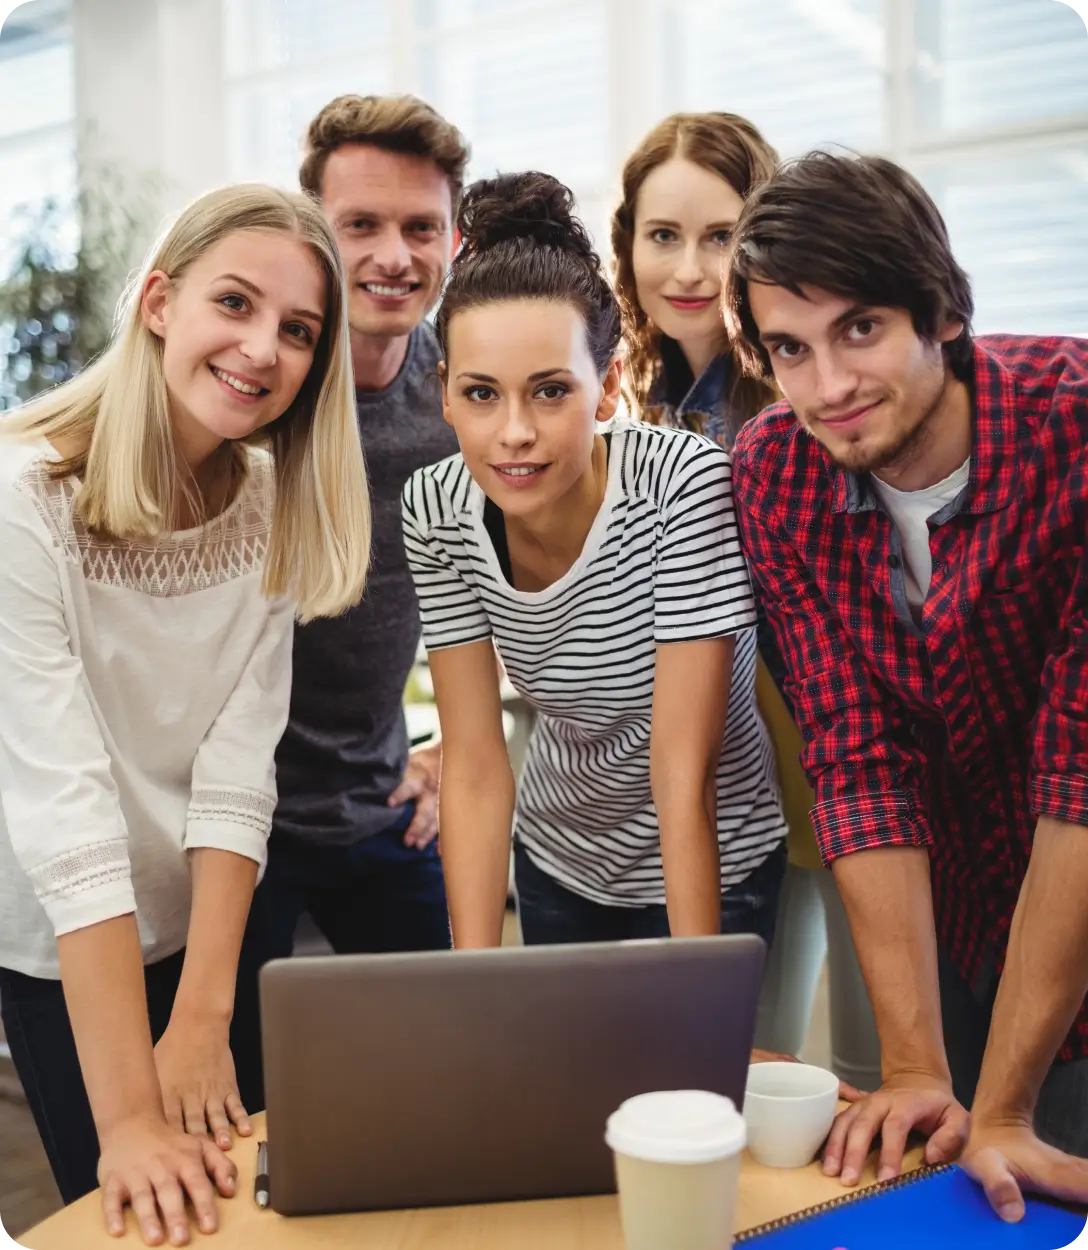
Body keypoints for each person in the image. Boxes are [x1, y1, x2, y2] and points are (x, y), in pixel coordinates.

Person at [0, 183, 370, 1247]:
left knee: (251, 1210)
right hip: (65, 940)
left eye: (298, 330)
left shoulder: (267, 500)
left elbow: (235, 770)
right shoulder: (23, 500)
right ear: (161, 301)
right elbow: (69, 812)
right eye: (235, 304)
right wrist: (126, 1115)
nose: (262, 349)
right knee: (147, 1209)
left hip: (206, 925)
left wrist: (204, 1015)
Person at [724, 150, 1088, 1222]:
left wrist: (1009, 1102)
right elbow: (855, 758)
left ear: (939, 307)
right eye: (788, 348)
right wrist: (916, 1063)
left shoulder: (1075, 429)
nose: (826, 388)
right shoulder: (773, 474)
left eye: (858, 329)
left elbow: (1080, 777)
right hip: (964, 928)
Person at [402, 170, 787, 950]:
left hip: (716, 859)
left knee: (693, 1064)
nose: (513, 432)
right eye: (481, 394)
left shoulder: (683, 486)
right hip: (560, 857)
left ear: (608, 384)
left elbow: (685, 776)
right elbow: (474, 769)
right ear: (444, 393)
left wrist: (696, 987)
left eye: (550, 391)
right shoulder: (436, 508)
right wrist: (473, 982)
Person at [611, 111, 880, 1090]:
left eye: (718, 236)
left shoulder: (806, 395)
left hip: (848, 772)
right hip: (731, 791)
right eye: (662, 235)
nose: (686, 268)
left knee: (876, 1067)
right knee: (738, 1064)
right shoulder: (642, 405)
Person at [244, 94, 468, 973]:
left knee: (442, 1067)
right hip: (237, 819)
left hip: (383, 803)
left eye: (422, 227)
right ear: (311, 234)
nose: (393, 255)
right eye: (361, 224)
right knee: (244, 1101)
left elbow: (535, 565)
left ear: (454, 238)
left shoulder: (466, 389)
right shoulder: (257, 383)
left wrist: (458, 745)